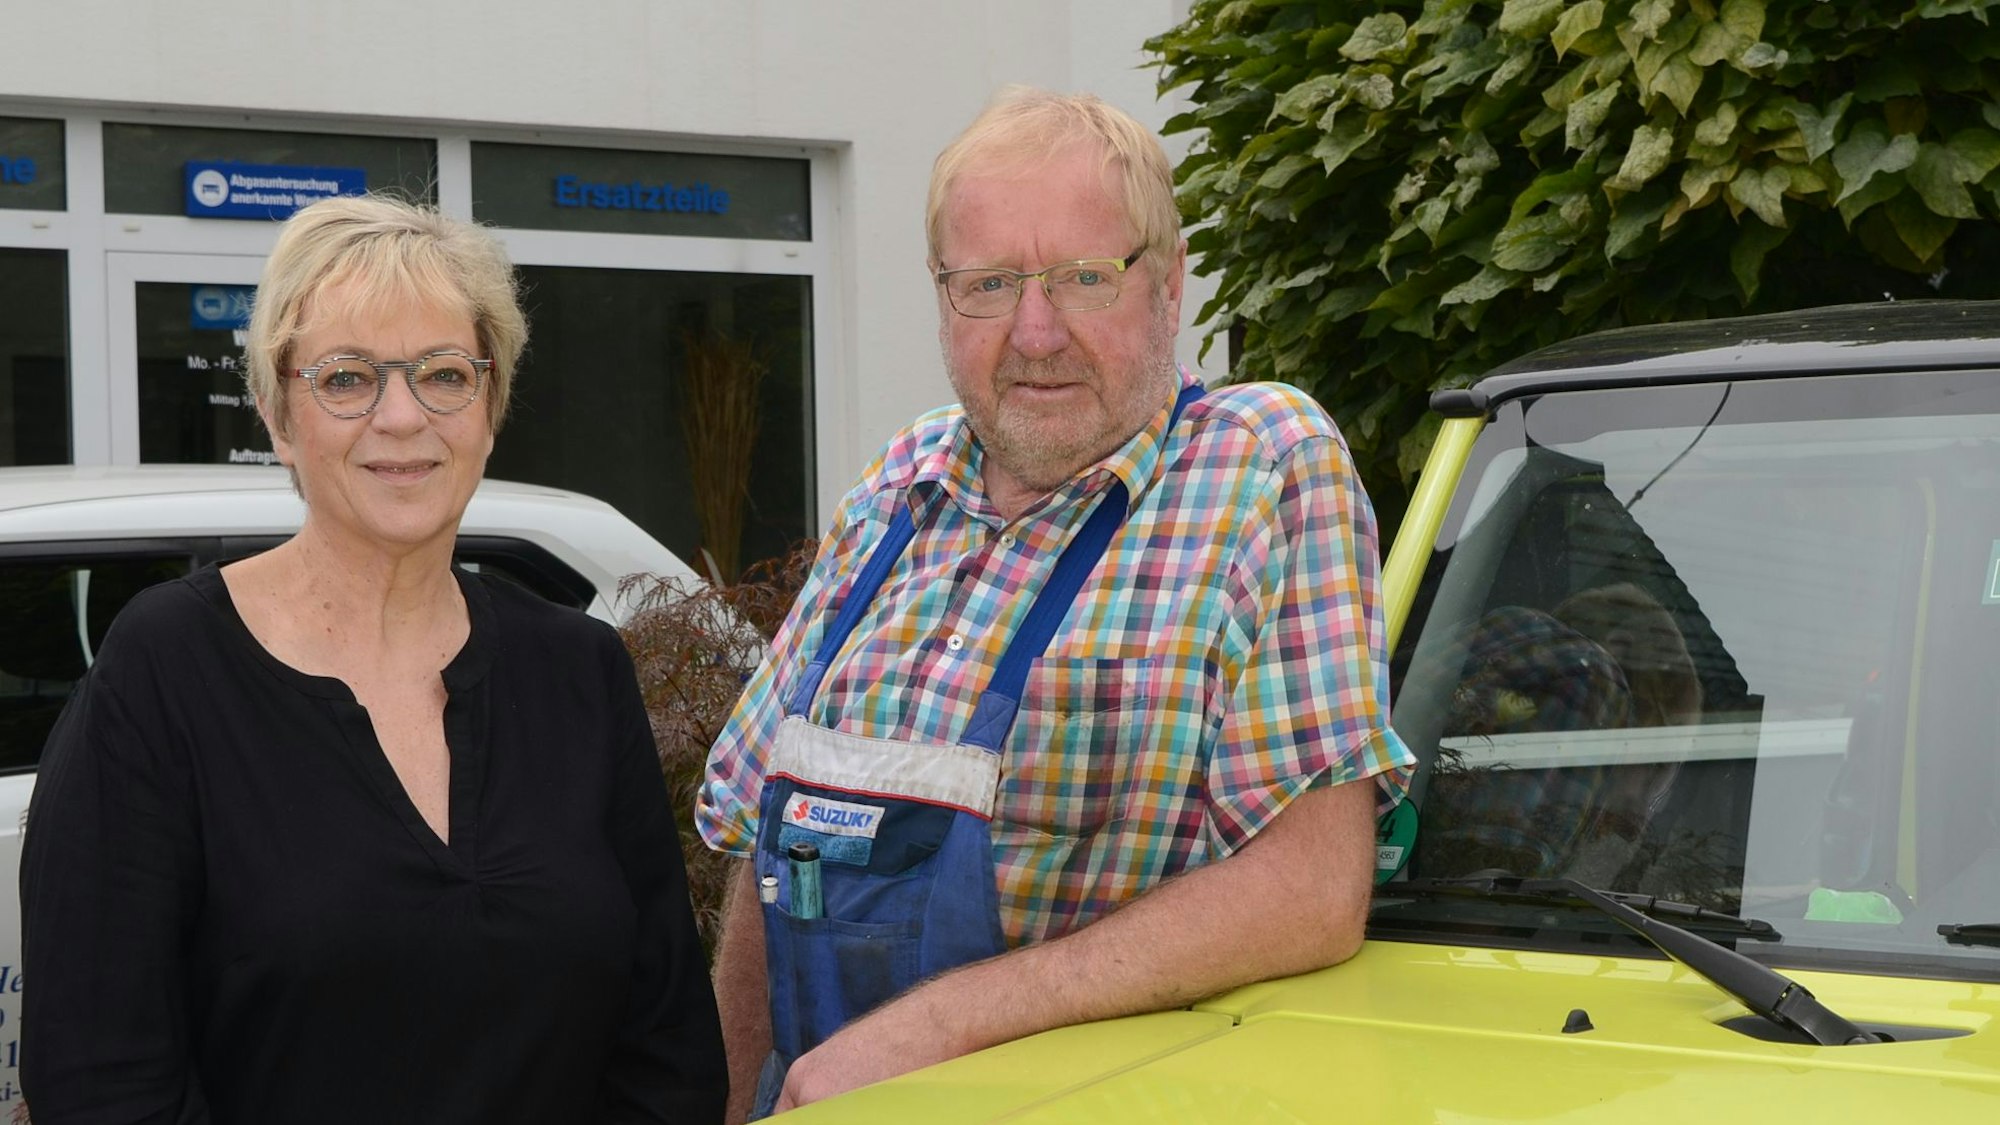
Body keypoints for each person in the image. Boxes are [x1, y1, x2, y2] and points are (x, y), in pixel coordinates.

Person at [697, 87, 1413, 1119]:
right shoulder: (897, 488)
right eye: (987, 284)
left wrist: (939, 1028)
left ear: (1166, 290)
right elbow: (765, 852)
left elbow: (1309, 891)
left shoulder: (1257, 465)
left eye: (1084, 279)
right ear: (942, 296)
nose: (1034, 334)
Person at [20, 194, 728, 1124]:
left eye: (443, 373)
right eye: (348, 378)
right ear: (279, 417)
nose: (402, 418)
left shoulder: (580, 671)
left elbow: (667, 1050)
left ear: (490, 404)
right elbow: (100, 1079)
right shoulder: (165, 672)